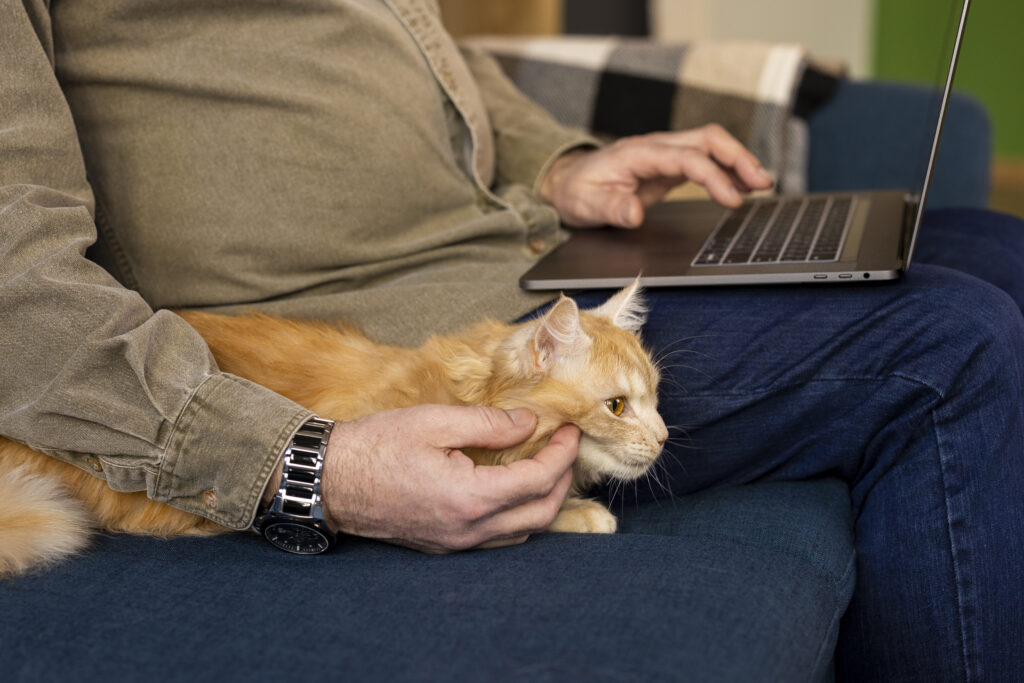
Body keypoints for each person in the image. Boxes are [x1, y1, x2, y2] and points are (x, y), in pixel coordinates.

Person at [1, 0, 1021, 680]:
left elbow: (423, 55)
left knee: (990, 245)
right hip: (378, 318)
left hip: (526, 250)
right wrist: (293, 462)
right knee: (954, 343)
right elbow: (16, 266)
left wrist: (559, 167)